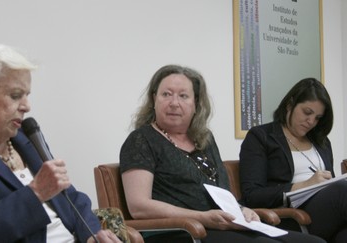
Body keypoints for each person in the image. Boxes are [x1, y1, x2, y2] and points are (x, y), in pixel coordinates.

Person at [119, 65, 325, 243]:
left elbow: (224, 193)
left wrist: (242, 210)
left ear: (195, 103)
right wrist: (202, 217)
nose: (174, 103)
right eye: (166, 94)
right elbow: (139, 206)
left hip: (221, 227)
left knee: (314, 242)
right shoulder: (141, 140)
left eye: (183, 96)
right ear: (154, 99)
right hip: (180, 233)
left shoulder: (204, 138)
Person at [0, 43, 121, 243]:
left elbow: (70, 196)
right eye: (15, 96)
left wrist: (92, 234)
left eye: (27, 95)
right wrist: (36, 193)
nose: (27, 106)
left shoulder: (24, 137)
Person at [239, 78, 347, 242]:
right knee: (342, 191)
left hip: (327, 212)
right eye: (307, 112)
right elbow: (252, 195)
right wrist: (303, 186)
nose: (311, 121)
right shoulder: (261, 137)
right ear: (290, 104)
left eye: (318, 117)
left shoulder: (322, 142)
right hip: (290, 217)